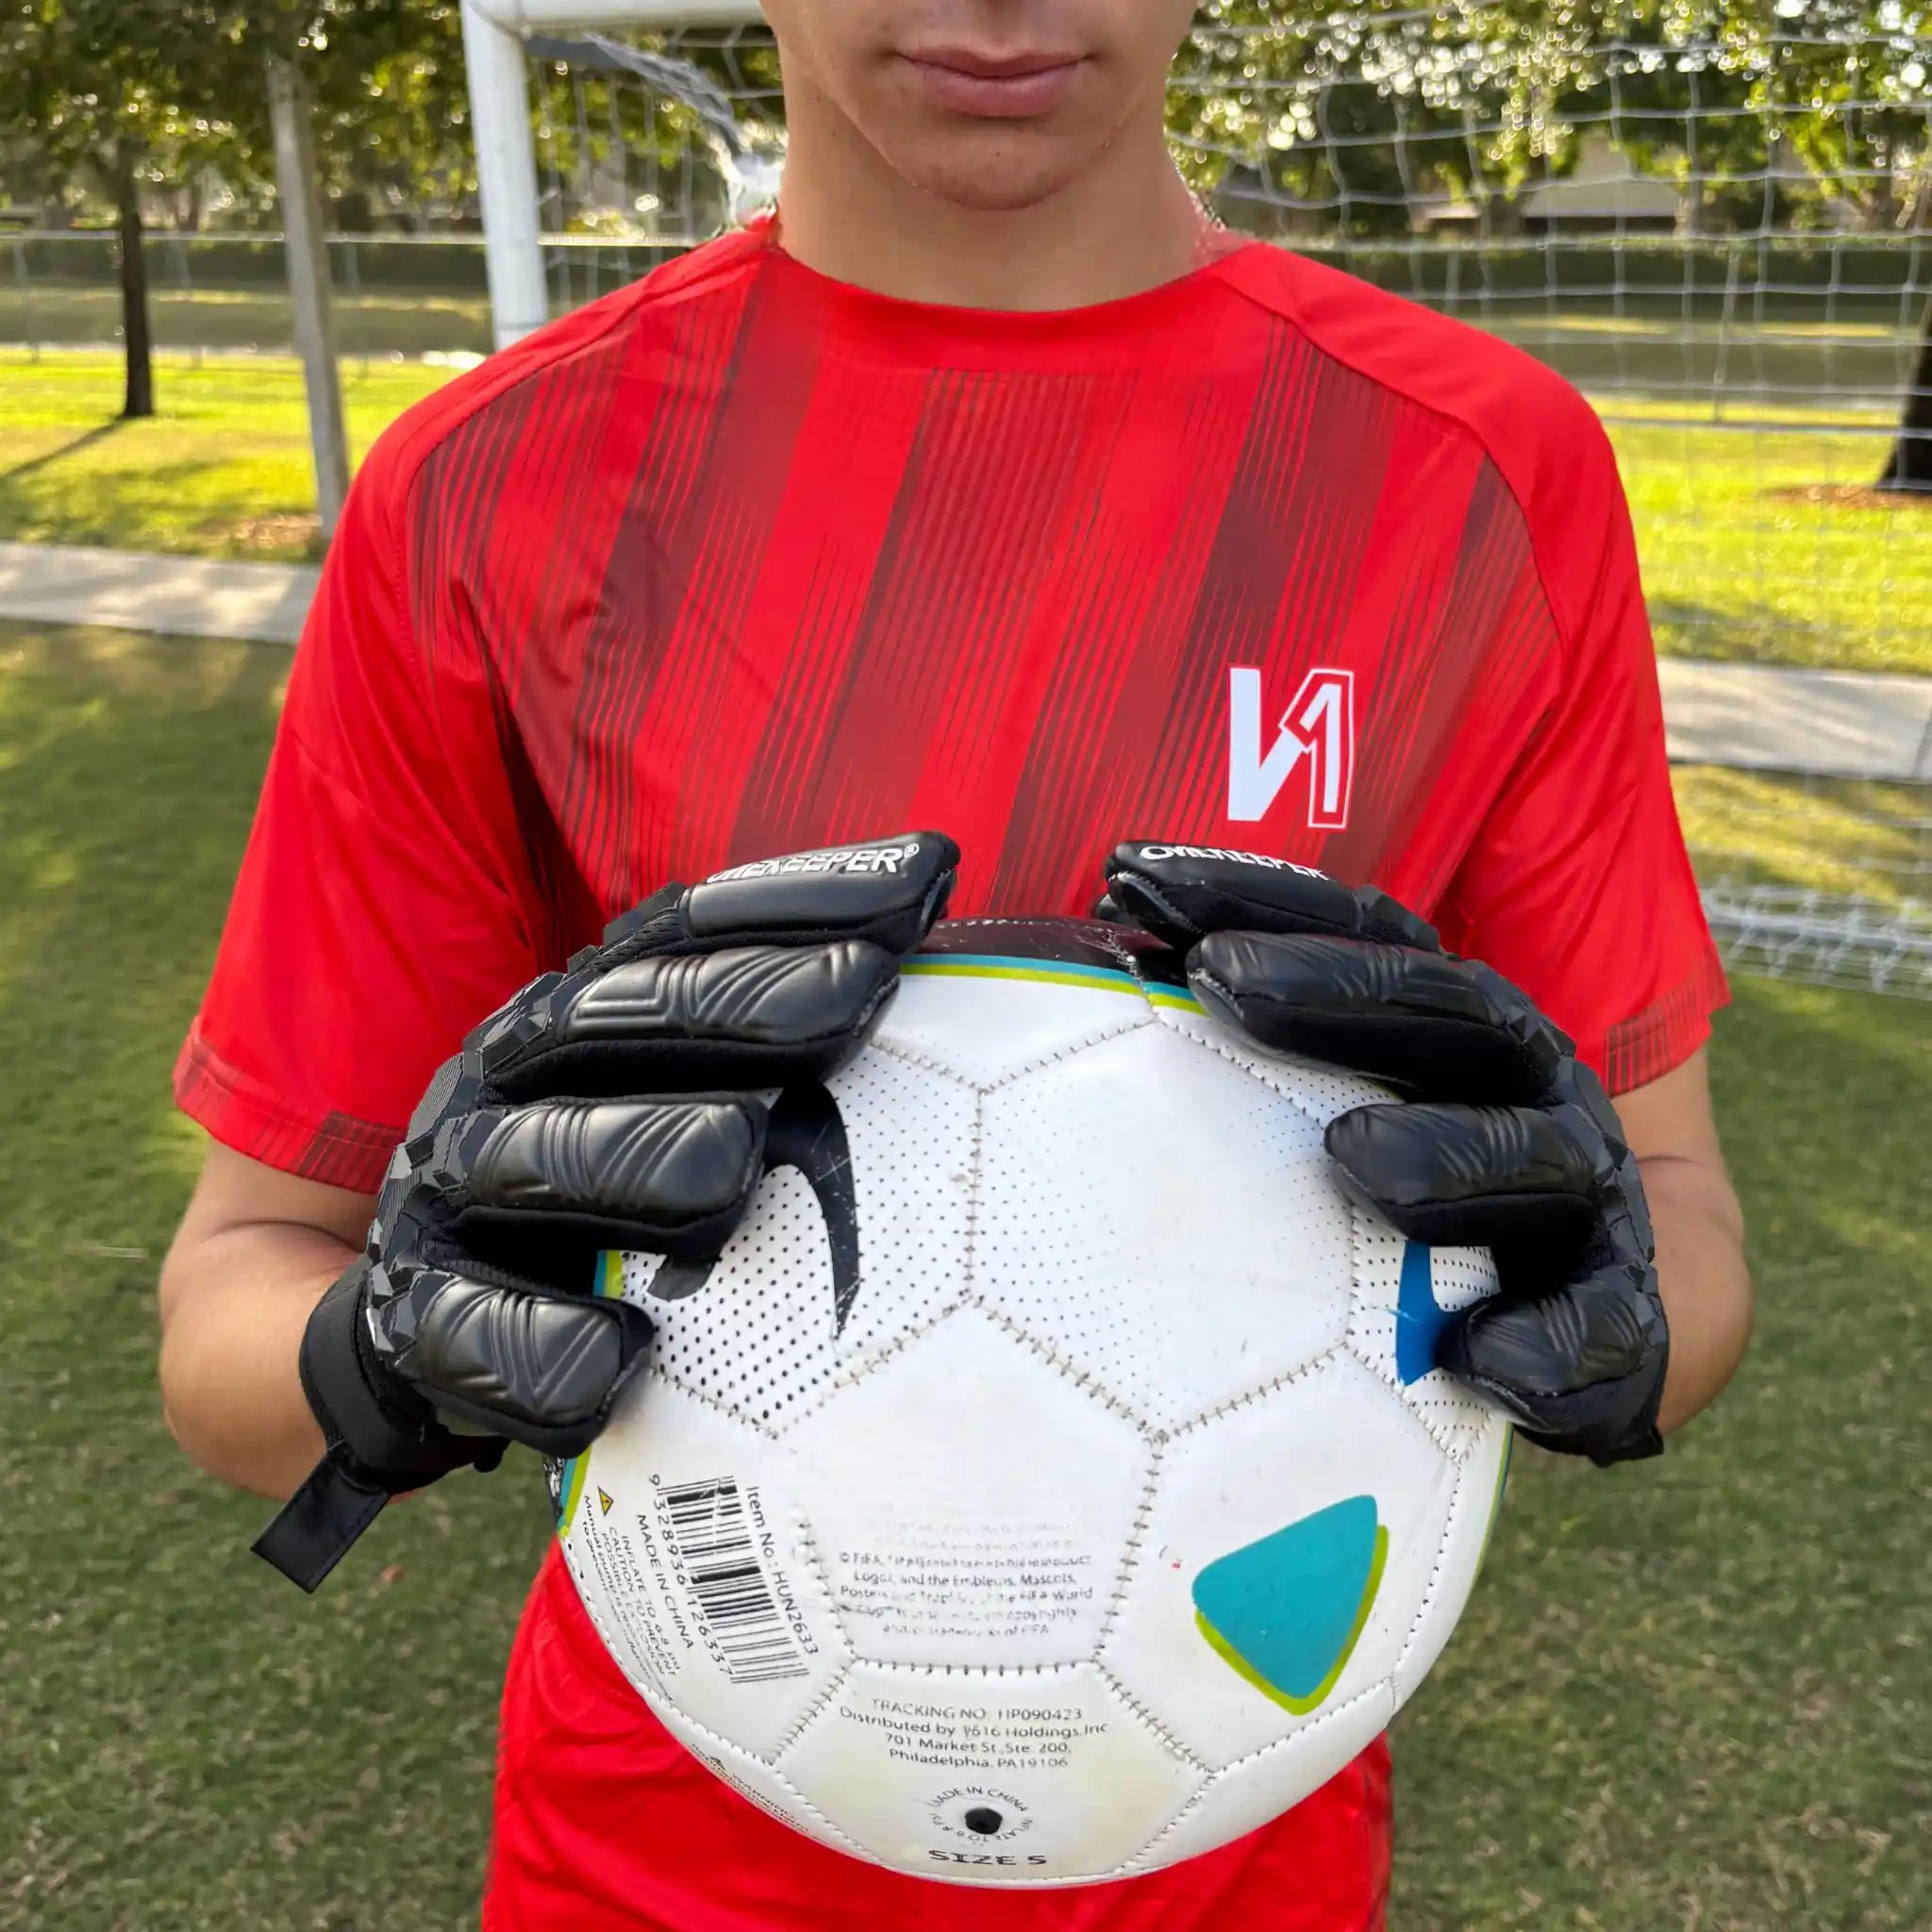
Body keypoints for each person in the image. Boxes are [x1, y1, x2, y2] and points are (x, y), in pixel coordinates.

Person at [158, 3, 1753, 1927]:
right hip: (650, 1855)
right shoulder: (493, 486)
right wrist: (381, 1340)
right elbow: (232, 1314)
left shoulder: (1479, 470)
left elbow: (1675, 1228)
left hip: (1240, 1834)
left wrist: (1620, 1310)